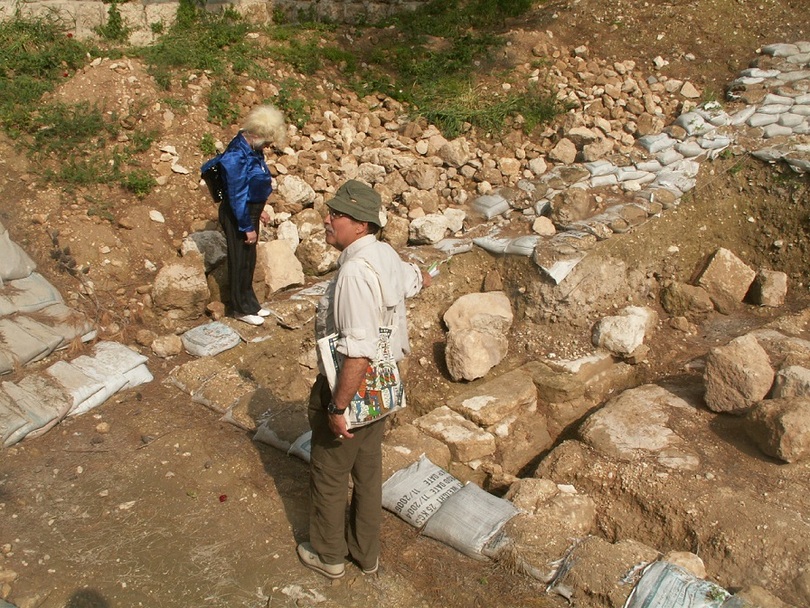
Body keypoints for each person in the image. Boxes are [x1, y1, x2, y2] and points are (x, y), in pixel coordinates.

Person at [297, 179, 431, 579]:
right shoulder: (385, 254)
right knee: (369, 473)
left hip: (353, 387)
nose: (327, 219)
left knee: (331, 473)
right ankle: (366, 554)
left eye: (336, 215)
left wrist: (337, 407)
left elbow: (358, 349)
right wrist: (423, 276)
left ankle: (329, 555)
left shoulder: (355, 272)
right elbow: (416, 279)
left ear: (360, 225)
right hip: (382, 388)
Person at [217, 104, 286, 326]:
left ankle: (250, 303)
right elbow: (237, 194)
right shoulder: (236, 155)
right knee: (239, 259)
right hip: (239, 213)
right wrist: (246, 226)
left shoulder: (253, 150)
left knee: (249, 258)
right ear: (256, 133)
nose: (267, 147)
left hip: (251, 210)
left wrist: (261, 209)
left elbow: (254, 183)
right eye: (266, 141)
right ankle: (239, 307)